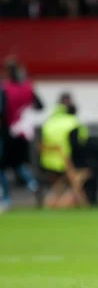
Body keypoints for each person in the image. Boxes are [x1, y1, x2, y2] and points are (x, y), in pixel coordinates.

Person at [0, 57, 43, 209]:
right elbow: (40, 106)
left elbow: (2, 111)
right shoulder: (28, 88)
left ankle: (5, 198)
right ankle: (33, 184)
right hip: (24, 133)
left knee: (2, 166)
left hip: (8, 132)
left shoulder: (5, 88)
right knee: (18, 164)